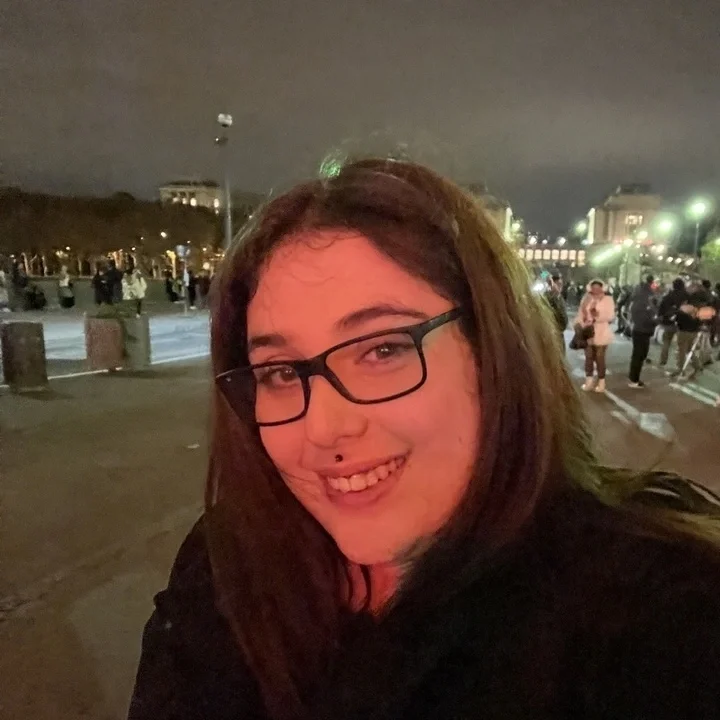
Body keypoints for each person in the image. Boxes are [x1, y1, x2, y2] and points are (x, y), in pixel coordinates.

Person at [129, 158, 720, 720]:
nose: (324, 429)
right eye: (281, 372)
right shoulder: (225, 564)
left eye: (383, 349)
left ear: (494, 349)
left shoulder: (656, 613)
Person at [575, 279, 615, 392]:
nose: (596, 290)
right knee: (588, 357)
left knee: (599, 358)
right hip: (588, 332)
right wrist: (581, 324)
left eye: (598, 287)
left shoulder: (608, 299)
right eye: (594, 287)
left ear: (602, 288)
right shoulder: (586, 298)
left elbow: (611, 316)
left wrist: (597, 316)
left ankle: (601, 382)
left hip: (601, 332)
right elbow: (580, 313)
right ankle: (589, 382)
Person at [627, 274, 658, 388]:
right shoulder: (643, 302)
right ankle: (633, 379)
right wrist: (655, 320)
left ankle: (633, 377)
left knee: (640, 354)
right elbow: (646, 317)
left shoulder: (639, 299)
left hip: (641, 329)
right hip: (641, 329)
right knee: (638, 355)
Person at [657, 277, 688, 368]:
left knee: (666, 341)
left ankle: (663, 360)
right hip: (682, 323)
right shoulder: (686, 296)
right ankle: (681, 364)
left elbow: (661, 308)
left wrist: (661, 317)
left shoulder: (668, 296)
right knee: (682, 344)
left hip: (668, 321)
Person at [544, 273, 568, 353]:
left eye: (561, 284)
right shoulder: (546, 298)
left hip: (559, 335)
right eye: (557, 284)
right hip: (550, 335)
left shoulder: (560, 297)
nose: (560, 287)